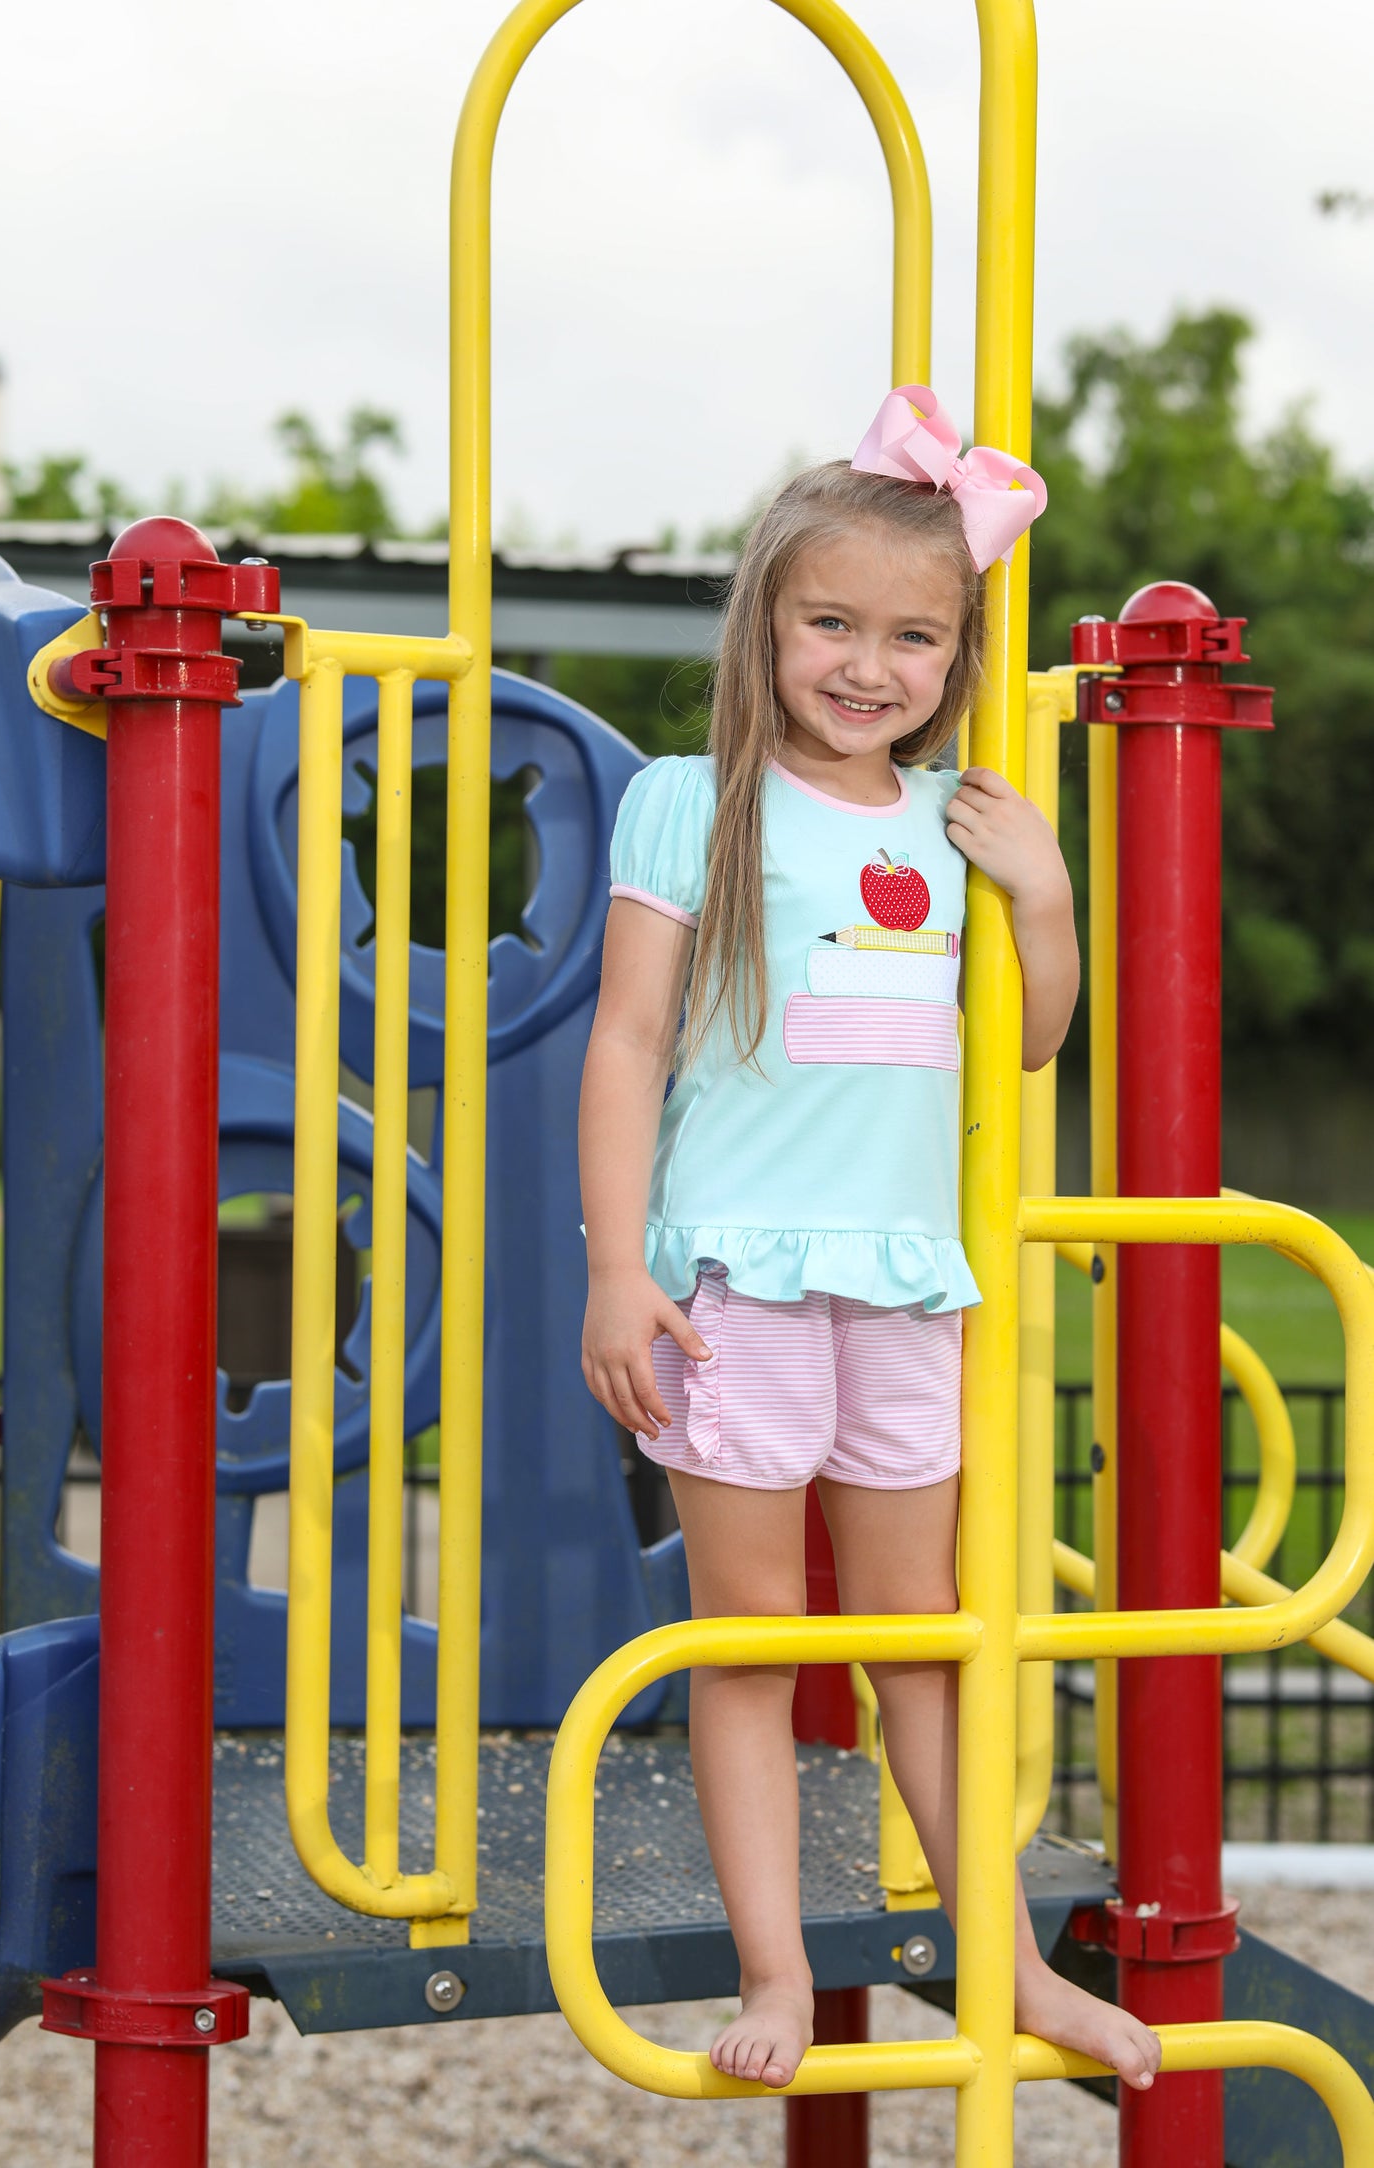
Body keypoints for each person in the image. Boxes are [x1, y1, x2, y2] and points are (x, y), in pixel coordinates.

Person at [577, 388, 1163, 2093]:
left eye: (913, 635)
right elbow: (625, 1043)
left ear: (955, 654)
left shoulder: (956, 818)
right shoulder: (694, 802)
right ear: (765, 618)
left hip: (902, 1284)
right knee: (758, 1646)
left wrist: (1044, 895)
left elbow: (1037, 1038)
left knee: (923, 1635)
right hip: (731, 1284)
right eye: (830, 622)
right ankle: (772, 1967)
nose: (867, 664)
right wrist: (620, 1268)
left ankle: (1014, 1969)